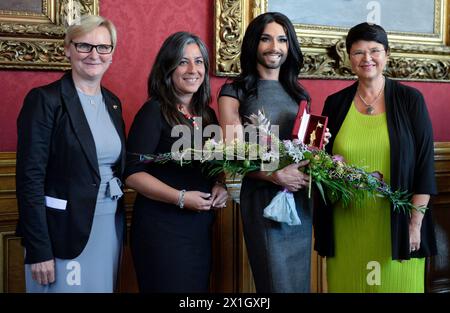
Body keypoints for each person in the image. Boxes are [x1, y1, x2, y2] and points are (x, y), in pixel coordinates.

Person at [315, 22, 437, 292]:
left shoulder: (410, 100)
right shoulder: (335, 104)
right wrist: (325, 162)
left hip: (397, 227)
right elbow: (320, 164)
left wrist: (415, 224)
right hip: (346, 226)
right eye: (358, 52)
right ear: (349, 58)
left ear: (387, 54)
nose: (367, 58)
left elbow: (424, 166)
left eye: (374, 50)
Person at [16, 15, 126, 292]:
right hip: (61, 232)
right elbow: (29, 178)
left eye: (103, 47)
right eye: (84, 46)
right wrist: (38, 248)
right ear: (67, 49)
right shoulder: (45, 100)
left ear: (112, 53)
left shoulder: (113, 103)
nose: (94, 55)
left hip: (107, 225)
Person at [124, 32, 228, 293]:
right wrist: (180, 197)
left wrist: (220, 185)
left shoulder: (207, 114)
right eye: (183, 62)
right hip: (161, 230)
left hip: (199, 228)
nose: (193, 70)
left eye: (199, 61)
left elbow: (213, 167)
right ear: (168, 67)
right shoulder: (153, 112)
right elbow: (133, 173)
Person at [218, 12, 313, 292]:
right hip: (263, 198)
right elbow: (232, 155)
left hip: (299, 199)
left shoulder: (299, 94)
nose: (275, 46)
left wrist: (319, 143)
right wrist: (274, 176)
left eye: (282, 40)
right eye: (266, 39)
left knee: (299, 283)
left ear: (290, 46)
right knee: (276, 282)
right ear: (253, 44)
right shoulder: (234, 92)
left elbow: (303, 147)